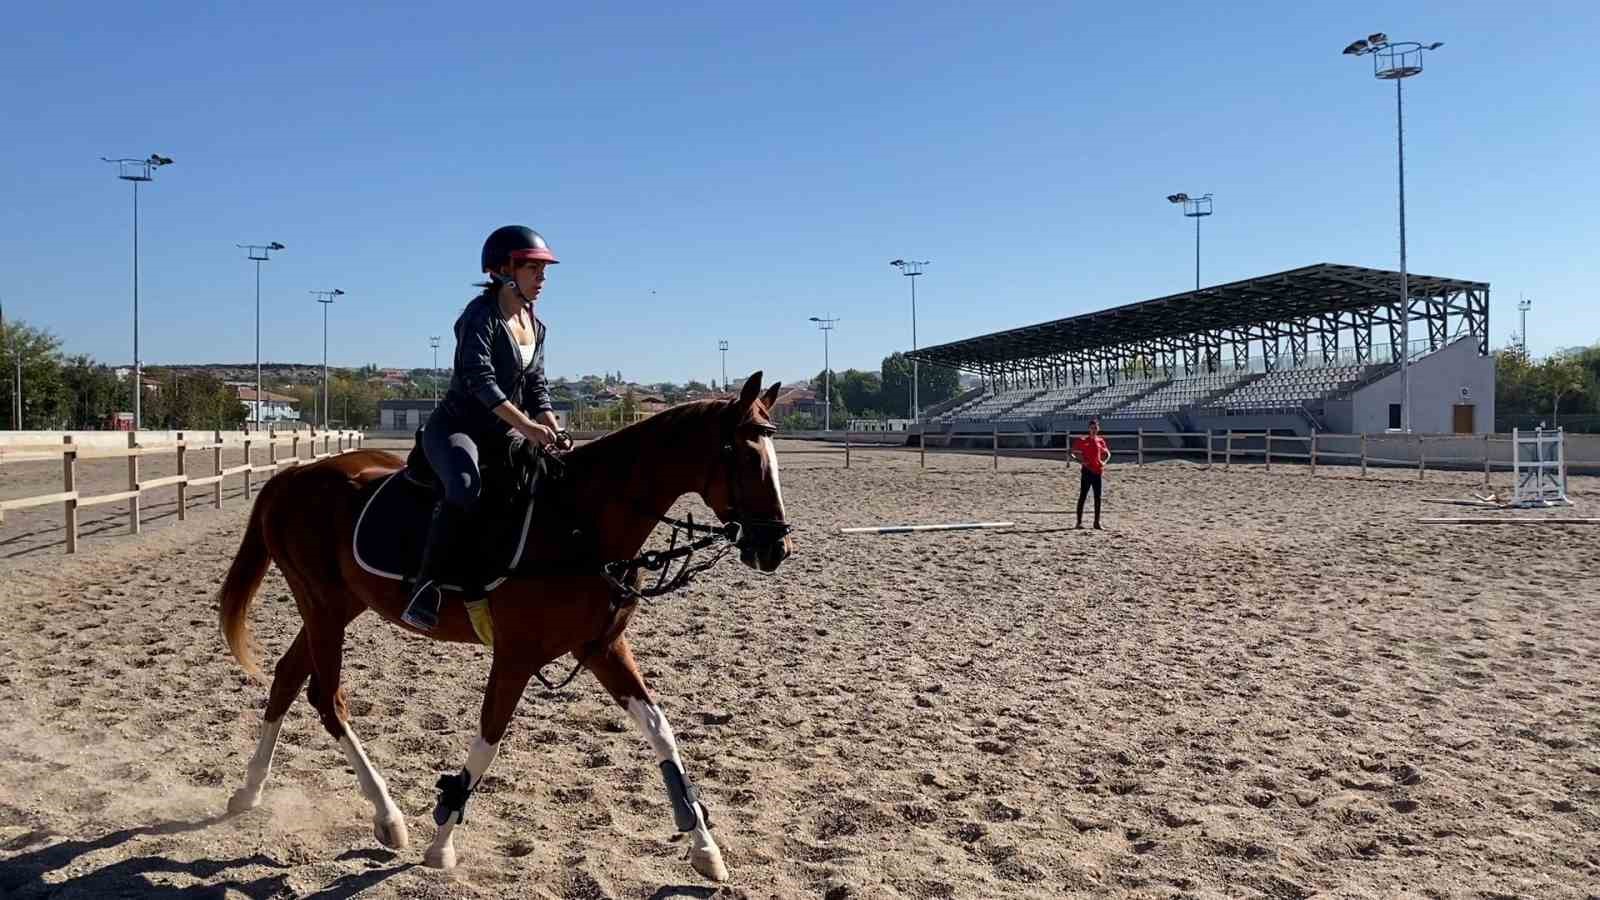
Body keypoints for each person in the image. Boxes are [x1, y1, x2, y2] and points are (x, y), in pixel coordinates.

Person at [401, 225, 562, 631]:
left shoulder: (534, 323)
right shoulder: (479, 316)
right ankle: (426, 586)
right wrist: (525, 425)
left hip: (504, 432)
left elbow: (537, 384)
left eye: (544, 271)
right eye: (533, 270)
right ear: (505, 270)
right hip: (458, 428)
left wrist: (549, 423)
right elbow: (481, 382)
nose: (542, 279)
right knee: (465, 486)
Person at [1070, 417, 1110, 530]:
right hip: (1087, 471)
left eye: (1095, 428)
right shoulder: (1082, 440)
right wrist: (1081, 462)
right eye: (1092, 428)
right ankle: (1079, 522)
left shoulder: (1101, 440)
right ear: (1089, 429)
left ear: (1098, 428)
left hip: (1097, 471)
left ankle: (1096, 522)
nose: (1093, 430)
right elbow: (1072, 453)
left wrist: (1104, 462)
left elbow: (1107, 453)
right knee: (1083, 495)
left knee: (1098, 497)